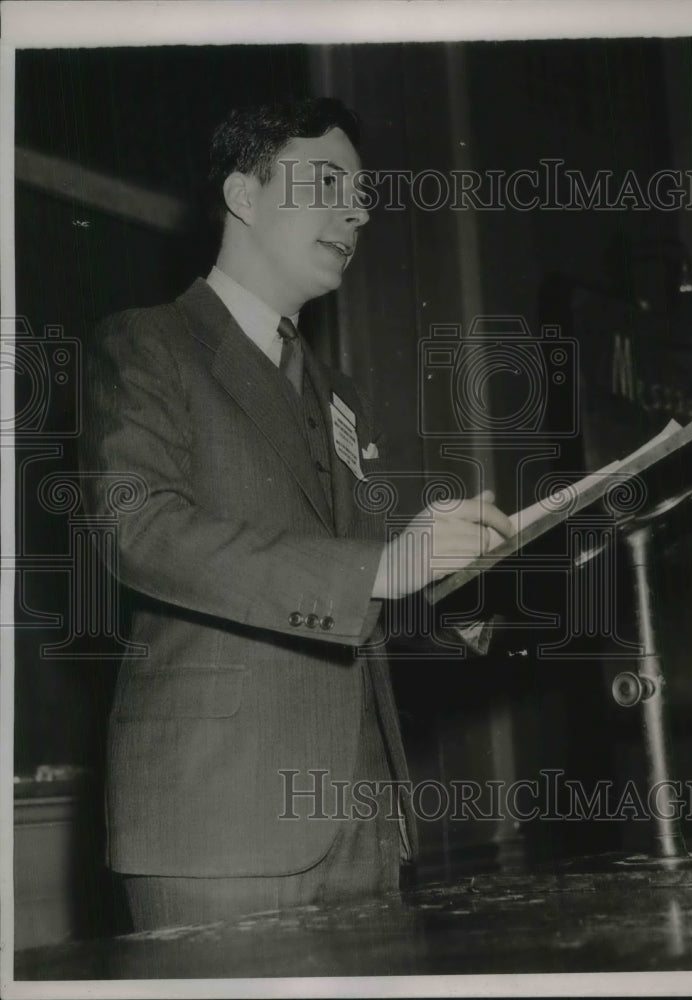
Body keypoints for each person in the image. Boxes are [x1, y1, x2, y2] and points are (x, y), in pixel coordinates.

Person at [82, 97, 514, 930]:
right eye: (329, 184)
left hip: (364, 825)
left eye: (363, 196)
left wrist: (452, 594)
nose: (357, 211)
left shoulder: (336, 394)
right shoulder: (147, 345)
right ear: (244, 196)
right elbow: (137, 530)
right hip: (218, 826)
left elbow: (351, 596)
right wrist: (383, 565)